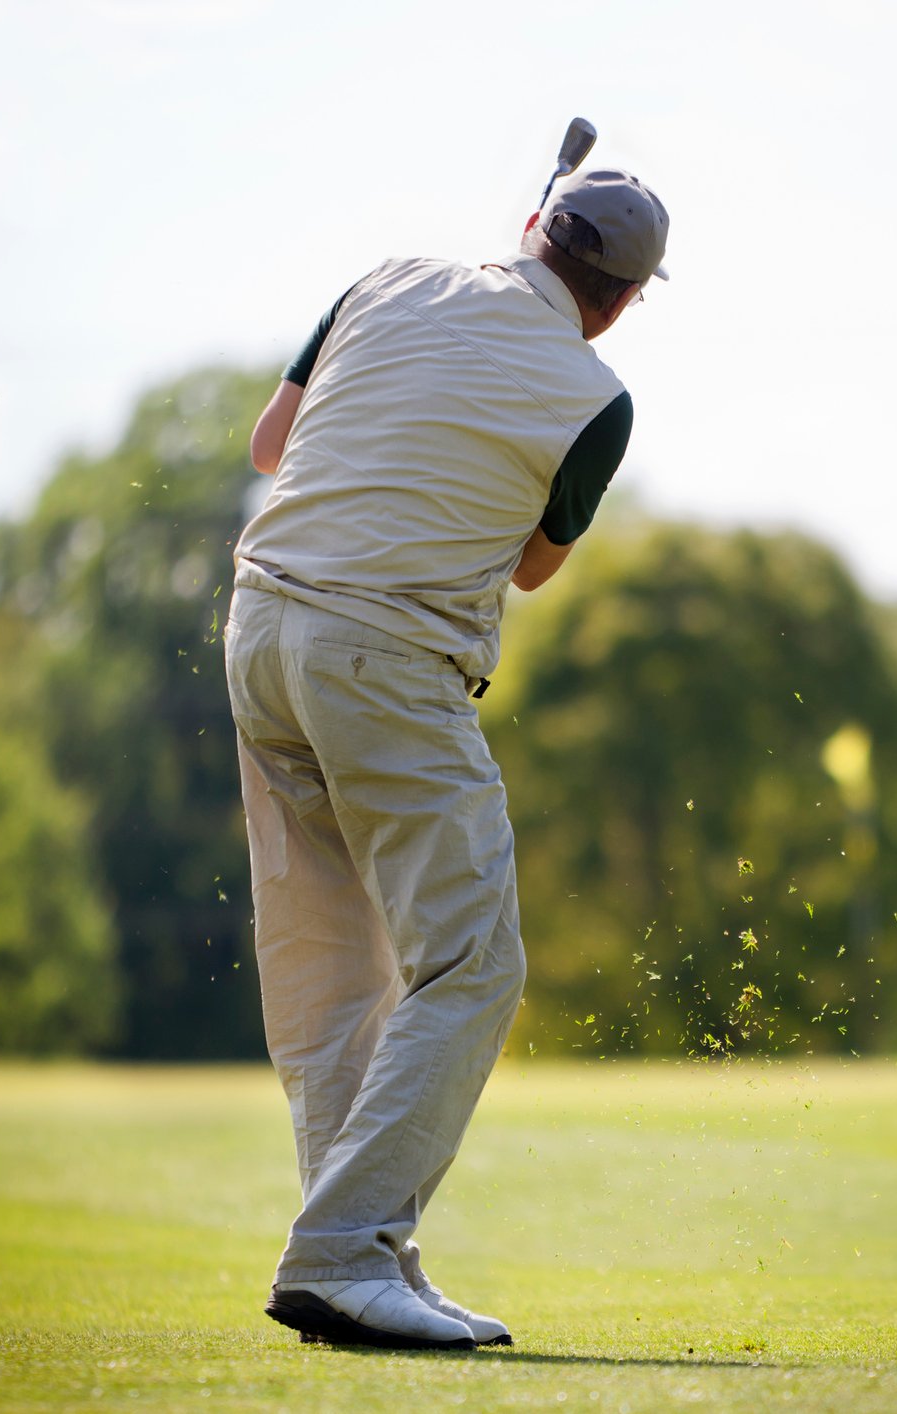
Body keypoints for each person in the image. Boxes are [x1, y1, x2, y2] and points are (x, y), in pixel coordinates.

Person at [223, 166, 669, 1351]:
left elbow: (272, 442)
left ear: (532, 226)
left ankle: (366, 1261)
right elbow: (530, 565)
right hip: (385, 659)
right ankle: (340, 1250)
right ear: (624, 300)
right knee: (471, 964)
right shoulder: (598, 396)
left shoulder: (386, 278)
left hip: (259, 634)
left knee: (330, 974)